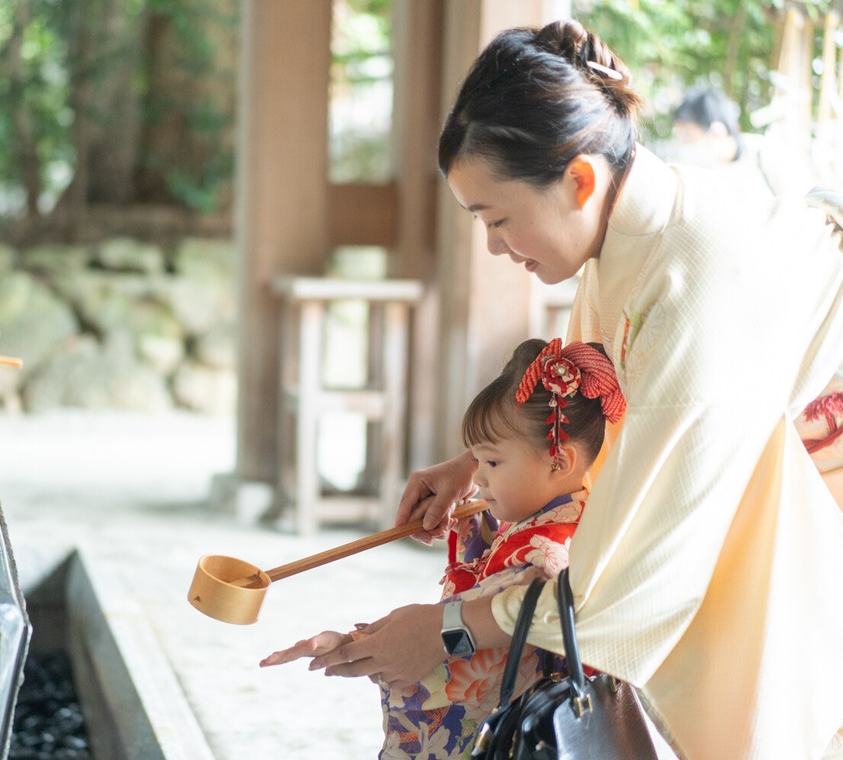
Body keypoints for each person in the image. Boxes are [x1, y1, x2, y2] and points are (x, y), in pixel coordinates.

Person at [281, 19, 843, 760]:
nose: (492, 245)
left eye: (498, 217)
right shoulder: (631, 231)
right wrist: (474, 463)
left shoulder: (692, 275)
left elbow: (630, 586)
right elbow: (581, 403)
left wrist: (449, 626)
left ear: (578, 179)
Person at [260, 337, 625, 758]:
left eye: (492, 462)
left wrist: (356, 647)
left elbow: (450, 662)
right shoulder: (554, 522)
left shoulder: (544, 558)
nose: (478, 479)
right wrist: (361, 641)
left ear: (559, 461)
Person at [668, 86, 813, 197]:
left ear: (716, 131)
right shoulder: (700, 173)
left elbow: (800, 207)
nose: (684, 145)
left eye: (687, 135)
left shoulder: (769, 154)